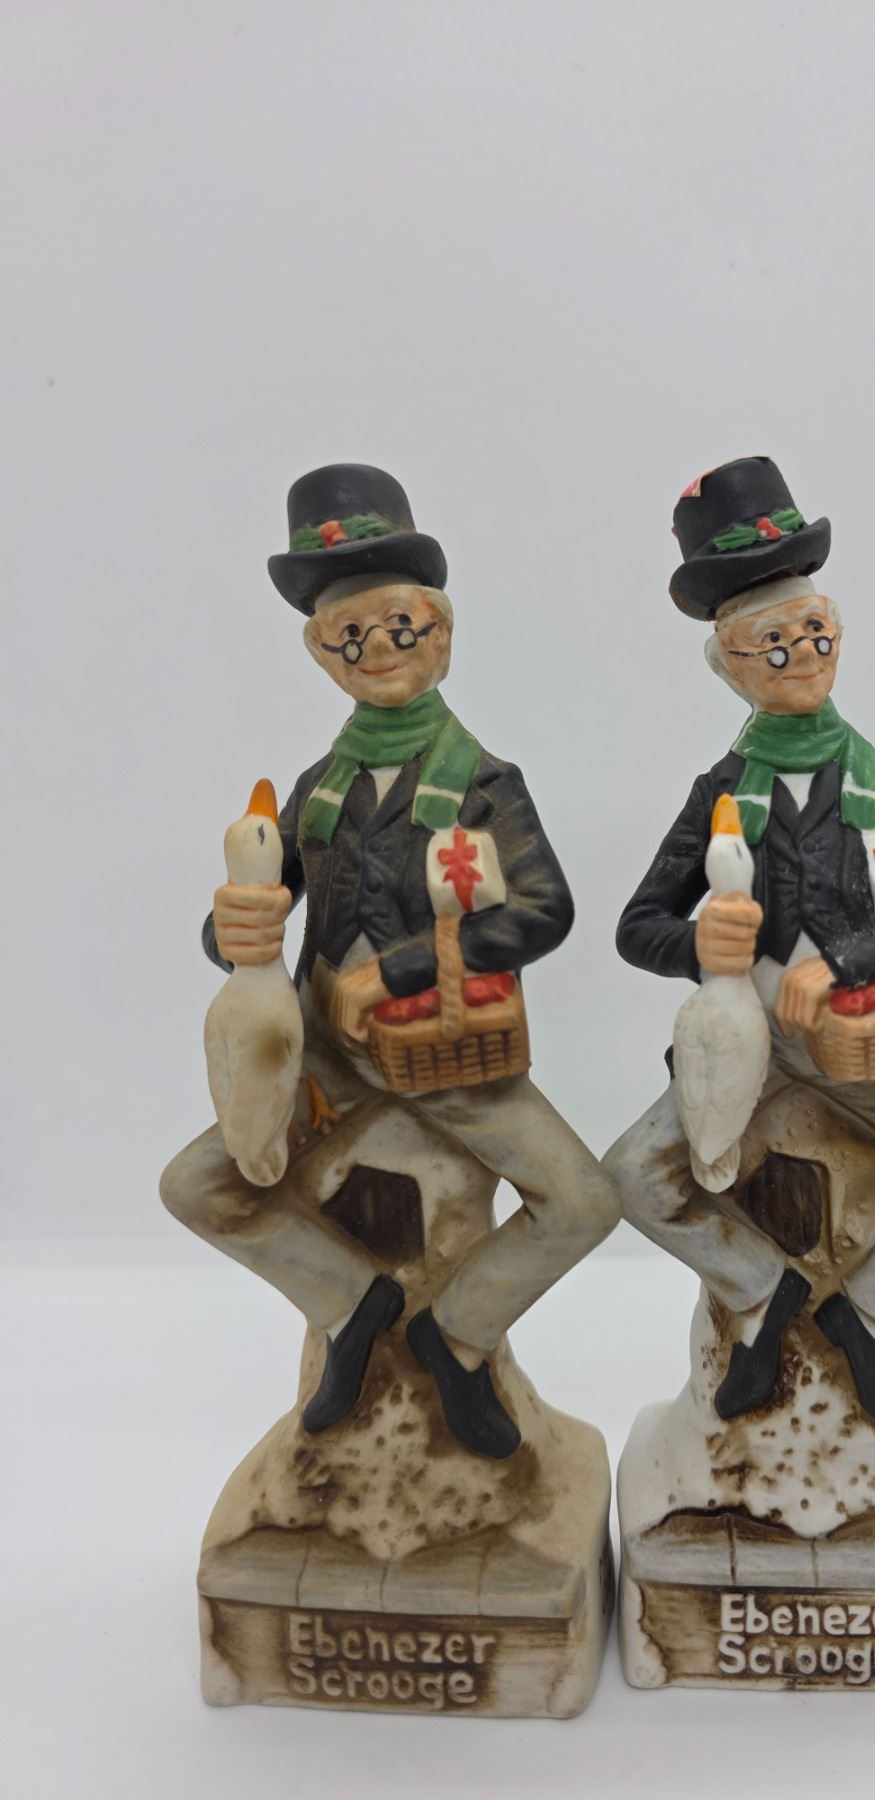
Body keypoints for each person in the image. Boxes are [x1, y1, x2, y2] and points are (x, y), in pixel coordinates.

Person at [161, 464, 619, 1458]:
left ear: (440, 634)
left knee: (583, 1202)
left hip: (446, 1045)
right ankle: (349, 1307)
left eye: (398, 628)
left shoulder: (485, 783)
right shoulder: (317, 787)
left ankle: (459, 1334)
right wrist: (233, 931)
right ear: (321, 655)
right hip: (325, 1056)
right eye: (348, 637)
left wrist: (404, 969)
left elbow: (545, 911)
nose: (375, 651)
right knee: (197, 1186)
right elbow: (259, 904)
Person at [605, 456, 875, 1436]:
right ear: (728, 665)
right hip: (748, 1050)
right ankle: (763, 1298)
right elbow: (640, 927)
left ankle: (868, 1314)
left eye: (816, 633)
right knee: (630, 1177)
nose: (800, 656)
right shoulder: (722, 792)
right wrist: (708, 947)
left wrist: (841, 959)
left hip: (862, 1038)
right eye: (772, 643)